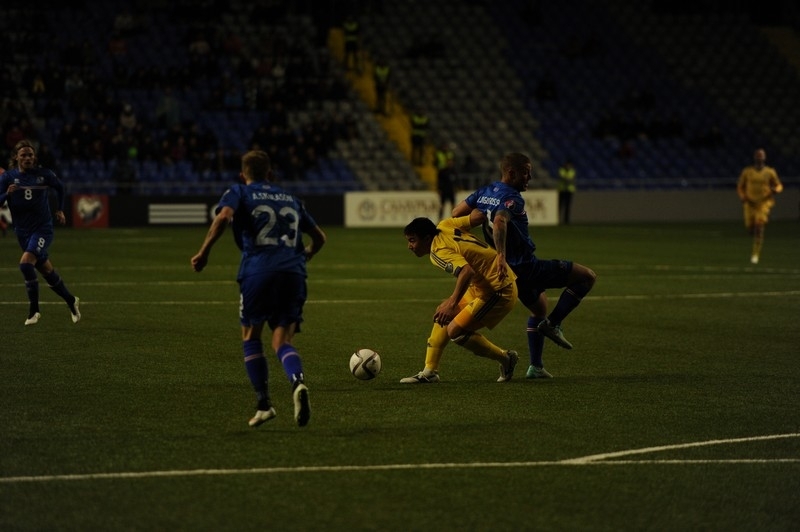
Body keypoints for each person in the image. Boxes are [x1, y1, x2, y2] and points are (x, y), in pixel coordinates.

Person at [191, 150, 326, 428]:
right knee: (283, 341)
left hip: (258, 271)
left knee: (251, 335)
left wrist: (204, 252)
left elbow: (223, 217)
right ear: (271, 174)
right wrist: (307, 254)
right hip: (293, 273)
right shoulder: (290, 198)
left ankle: (264, 403)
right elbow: (320, 238)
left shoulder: (239, 191)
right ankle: (297, 382)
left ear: (243, 175)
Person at [454, 152, 596, 379]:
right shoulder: (513, 198)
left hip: (510, 273)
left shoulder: (485, 191)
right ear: (511, 173)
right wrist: (501, 254)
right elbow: (500, 221)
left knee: (539, 308)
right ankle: (554, 324)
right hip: (526, 267)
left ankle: (536, 367)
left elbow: (456, 214)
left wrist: (480, 232)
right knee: (587, 277)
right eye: (526, 173)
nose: (529, 177)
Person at [401, 215, 519, 383]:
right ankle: (430, 371)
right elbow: (478, 216)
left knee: (455, 331)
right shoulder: (445, 224)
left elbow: (467, 272)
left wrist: (452, 303)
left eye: (412, 241)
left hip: (498, 289)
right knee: (442, 314)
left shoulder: (438, 252)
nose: (409, 246)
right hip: (481, 286)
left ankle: (506, 358)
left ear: (427, 238)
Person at [0, 140, 81, 326]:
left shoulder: (44, 174)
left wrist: (60, 209)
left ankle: (34, 311)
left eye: (30, 155)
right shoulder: (8, 178)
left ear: (34, 157)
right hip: (22, 231)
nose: (27, 158)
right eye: (23, 155)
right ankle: (71, 300)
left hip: (42, 228)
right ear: (16, 157)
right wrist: (6, 195)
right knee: (46, 270)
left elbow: (60, 187)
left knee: (25, 264)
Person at [737, 148, 783, 264]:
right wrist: (742, 196)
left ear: (765, 157)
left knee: (759, 226)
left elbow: (779, 185)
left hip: (763, 203)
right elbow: (740, 186)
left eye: (761, 155)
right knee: (750, 228)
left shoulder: (770, 172)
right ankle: (752, 232)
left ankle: (755, 254)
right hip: (750, 203)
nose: (759, 157)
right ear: (754, 157)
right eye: (758, 155)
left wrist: (776, 190)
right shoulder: (747, 172)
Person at [435, 143, 456, 220]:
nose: (450, 163)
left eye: (451, 162)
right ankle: (440, 219)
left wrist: (457, 187)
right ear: (447, 163)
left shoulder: (454, 171)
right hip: (444, 190)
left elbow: (456, 181)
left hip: (451, 190)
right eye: (449, 162)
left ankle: (454, 219)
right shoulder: (442, 171)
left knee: (453, 205)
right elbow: (439, 181)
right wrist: (439, 189)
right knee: (442, 205)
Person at [557, 159, 576, 225]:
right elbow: (564, 178)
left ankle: (566, 221)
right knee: (560, 206)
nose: (568, 166)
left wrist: (567, 179)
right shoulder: (561, 170)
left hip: (569, 190)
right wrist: (568, 179)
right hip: (562, 190)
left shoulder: (572, 171)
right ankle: (557, 219)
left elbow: (571, 179)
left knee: (567, 206)